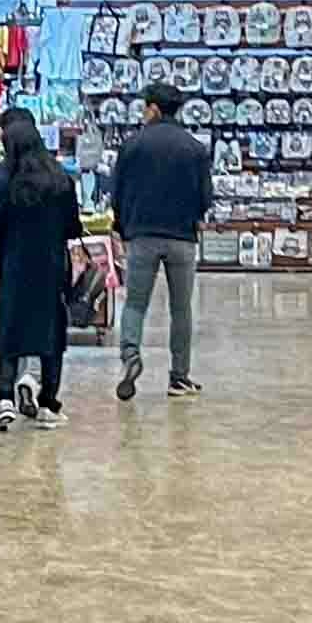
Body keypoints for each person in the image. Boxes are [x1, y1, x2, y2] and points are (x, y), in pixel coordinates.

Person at [106, 81, 215, 403]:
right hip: (182, 237)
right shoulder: (194, 148)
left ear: (153, 108)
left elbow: (118, 193)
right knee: (181, 309)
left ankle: (130, 356)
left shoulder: (132, 146)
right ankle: (179, 377)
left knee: (136, 303)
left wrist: (123, 225)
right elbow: (205, 197)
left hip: (142, 236)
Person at [0, 106, 81, 430]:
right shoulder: (60, 179)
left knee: (10, 331)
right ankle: (48, 404)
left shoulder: (0, 179)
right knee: (51, 335)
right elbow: (72, 227)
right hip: (51, 265)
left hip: (12, 264)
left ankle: (5, 397)